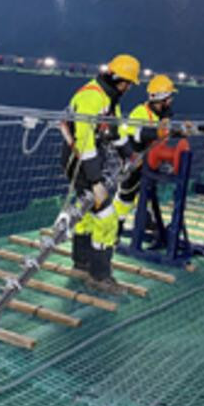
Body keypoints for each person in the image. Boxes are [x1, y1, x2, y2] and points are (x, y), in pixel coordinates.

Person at [62, 53, 140, 294]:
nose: (128, 88)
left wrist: (130, 155)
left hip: (88, 163)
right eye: (128, 83)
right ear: (119, 80)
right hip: (80, 165)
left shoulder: (109, 98)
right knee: (106, 220)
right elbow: (84, 144)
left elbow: (116, 133)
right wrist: (95, 182)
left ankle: (82, 262)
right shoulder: (91, 97)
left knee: (85, 214)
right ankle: (99, 275)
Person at [114, 74, 177, 233]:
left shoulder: (162, 116)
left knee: (146, 194)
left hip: (148, 162)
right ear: (161, 99)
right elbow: (132, 133)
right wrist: (157, 133)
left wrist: (179, 132)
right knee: (125, 198)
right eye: (169, 98)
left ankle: (145, 220)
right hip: (133, 162)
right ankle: (114, 228)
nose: (171, 102)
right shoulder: (140, 112)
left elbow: (164, 133)